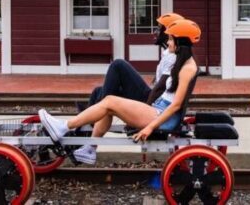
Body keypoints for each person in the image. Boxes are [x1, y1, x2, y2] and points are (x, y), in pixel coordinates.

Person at [39, 19, 201, 165]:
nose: (168, 42)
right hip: (159, 110)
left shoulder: (187, 69)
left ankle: (64, 127)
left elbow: (176, 105)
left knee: (110, 101)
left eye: (171, 39)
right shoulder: (182, 62)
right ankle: (89, 149)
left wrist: (149, 128)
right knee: (109, 102)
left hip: (163, 116)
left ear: (180, 42)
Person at [85, 12, 183, 108]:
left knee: (118, 65)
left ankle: (100, 110)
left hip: (150, 101)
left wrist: (146, 108)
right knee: (98, 91)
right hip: (151, 96)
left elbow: (160, 88)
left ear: (167, 32)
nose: (155, 32)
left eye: (159, 29)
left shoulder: (172, 57)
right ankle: (89, 114)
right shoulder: (168, 53)